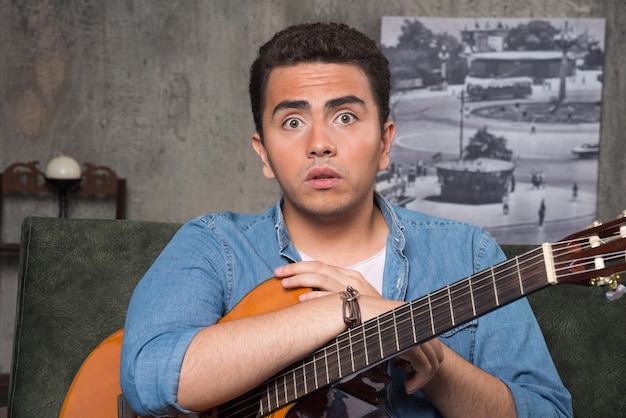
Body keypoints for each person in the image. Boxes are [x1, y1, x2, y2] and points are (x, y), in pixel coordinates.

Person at [120, 23, 572, 417]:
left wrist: (436, 363)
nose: (319, 143)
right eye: (293, 122)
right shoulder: (214, 245)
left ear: (385, 141)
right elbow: (150, 380)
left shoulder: (468, 254)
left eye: (346, 116)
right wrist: (348, 308)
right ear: (263, 152)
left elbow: (547, 412)